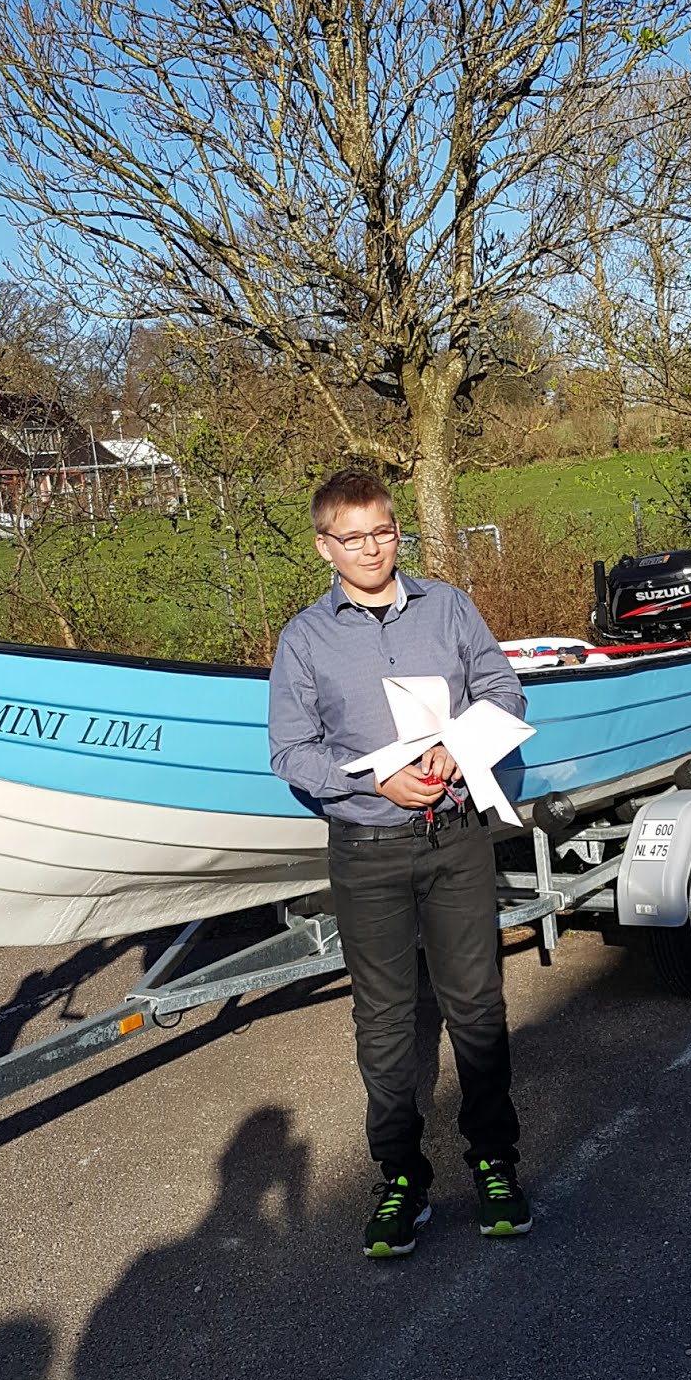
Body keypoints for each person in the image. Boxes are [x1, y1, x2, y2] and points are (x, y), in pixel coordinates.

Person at [268, 467, 531, 1258]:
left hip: (456, 839)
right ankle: (401, 1179)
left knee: (476, 1007)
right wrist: (372, 779)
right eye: (352, 538)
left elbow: (504, 692)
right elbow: (290, 751)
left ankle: (494, 1164)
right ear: (325, 547)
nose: (372, 548)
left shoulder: (447, 607)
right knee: (383, 1022)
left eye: (382, 531)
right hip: (367, 850)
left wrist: (461, 746)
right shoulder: (304, 639)